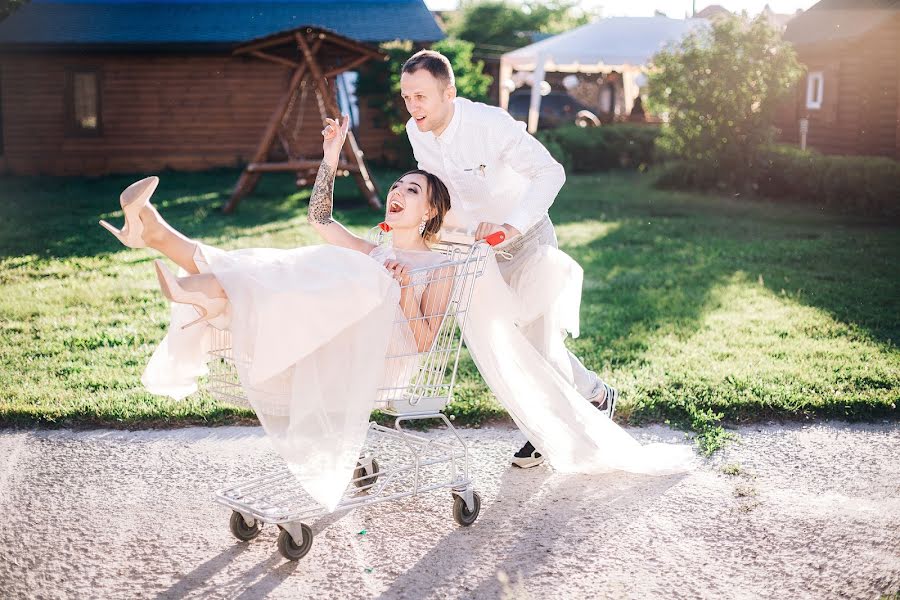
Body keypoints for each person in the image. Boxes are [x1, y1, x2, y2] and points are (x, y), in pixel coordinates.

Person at [99, 116, 456, 510]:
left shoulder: (438, 268)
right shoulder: (375, 252)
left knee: (338, 273)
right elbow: (320, 220)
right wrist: (330, 157)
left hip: (376, 361)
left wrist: (402, 291)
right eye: (396, 185)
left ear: (429, 212)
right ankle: (179, 261)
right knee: (280, 272)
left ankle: (187, 273)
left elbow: (423, 342)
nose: (398, 191)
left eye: (412, 189)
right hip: (334, 336)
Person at [400, 50, 617, 469]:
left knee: (539, 347)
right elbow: (440, 191)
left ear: (449, 92)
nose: (413, 107)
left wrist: (512, 227)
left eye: (421, 96)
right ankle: (585, 396)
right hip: (478, 253)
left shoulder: (490, 124)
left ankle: (573, 411)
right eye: (407, 97)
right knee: (505, 344)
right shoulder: (416, 132)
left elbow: (550, 173)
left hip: (528, 241)